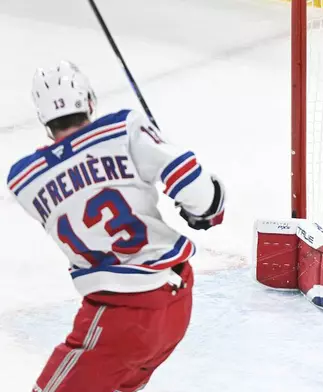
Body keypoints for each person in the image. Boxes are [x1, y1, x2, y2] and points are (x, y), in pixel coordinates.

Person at [7, 61, 225, 392]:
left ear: (43, 119)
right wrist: (205, 210)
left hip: (120, 316)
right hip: (176, 298)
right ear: (90, 101)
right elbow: (201, 192)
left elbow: (71, 174)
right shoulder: (122, 131)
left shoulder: (25, 180)